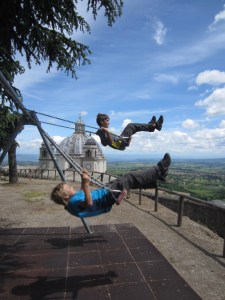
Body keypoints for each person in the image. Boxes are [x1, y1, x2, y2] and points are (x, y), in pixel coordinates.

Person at [50, 153, 171, 218]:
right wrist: (86, 183)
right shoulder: (73, 202)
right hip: (107, 196)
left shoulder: (73, 203)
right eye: (68, 188)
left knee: (128, 182)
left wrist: (83, 180)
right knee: (130, 177)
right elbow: (89, 203)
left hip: (106, 194)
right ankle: (160, 170)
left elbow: (82, 194)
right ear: (66, 196)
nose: (71, 187)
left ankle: (154, 181)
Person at [95, 113, 164, 151]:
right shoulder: (102, 130)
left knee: (133, 127)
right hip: (120, 142)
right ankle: (153, 126)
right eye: (107, 121)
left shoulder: (102, 130)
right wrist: (107, 133)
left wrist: (127, 142)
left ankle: (152, 126)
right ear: (101, 122)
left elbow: (108, 143)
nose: (108, 122)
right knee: (131, 126)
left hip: (121, 141)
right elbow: (106, 143)